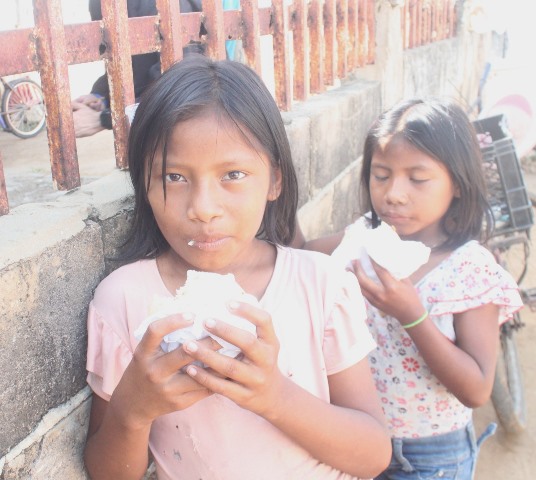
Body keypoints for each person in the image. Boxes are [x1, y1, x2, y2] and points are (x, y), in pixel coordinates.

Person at [83, 54, 391, 479]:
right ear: (144, 186)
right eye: (174, 177)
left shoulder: (321, 285)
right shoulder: (125, 300)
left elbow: (374, 455)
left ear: (275, 180)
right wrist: (131, 412)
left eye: (233, 174)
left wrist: (276, 397)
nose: (204, 208)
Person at [299, 98, 524, 479]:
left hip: (428, 457)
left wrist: (412, 315)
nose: (394, 193)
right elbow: (300, 254)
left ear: (457, 183)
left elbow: (476, 390)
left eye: (417, 179)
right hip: (355, 439)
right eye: (381, 175)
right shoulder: (363, 238)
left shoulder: (469, 269)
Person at [72, 0, 203, 138]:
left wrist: (103, 119)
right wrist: (100, 97)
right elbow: (123, 64)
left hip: (185, 132)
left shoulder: (166, 4)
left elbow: (180, 89)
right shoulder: (101, 3)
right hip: (150, 133)